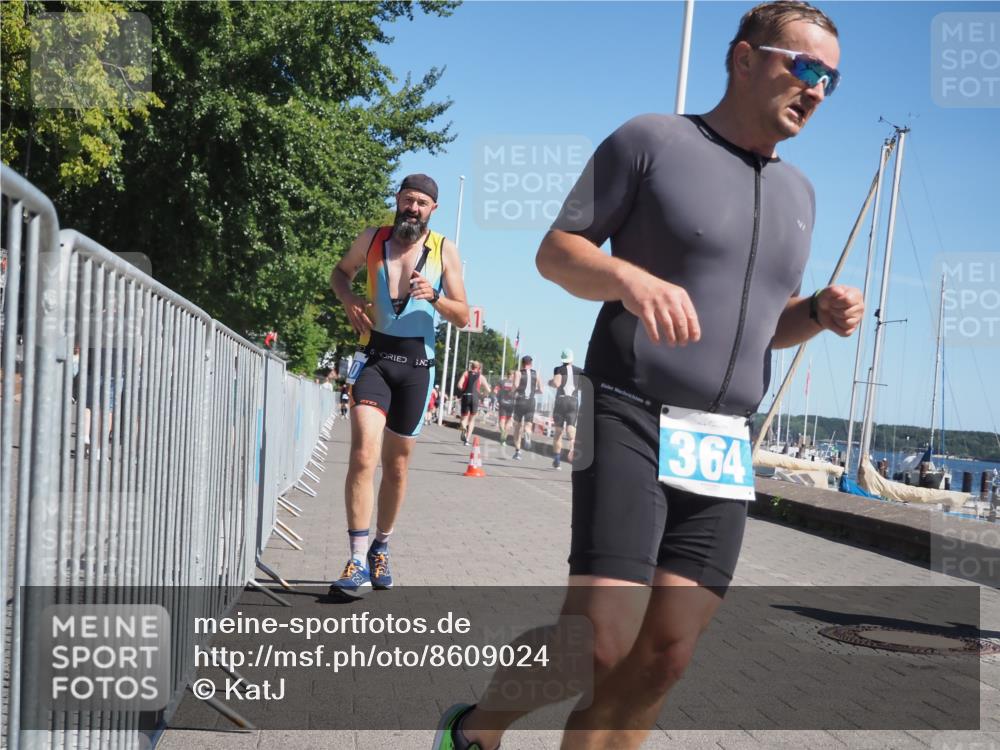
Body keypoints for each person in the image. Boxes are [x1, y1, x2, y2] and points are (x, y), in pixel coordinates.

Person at [434, 2, 863, 747]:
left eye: (831, 78)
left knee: (664, 657)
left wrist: (816, 313)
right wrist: (628, 279)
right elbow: (556, 252)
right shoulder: (652, 140)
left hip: (722, 442)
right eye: (804, 66)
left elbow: (767, 326)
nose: (818, 88)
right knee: (598, 642)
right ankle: (474, 731)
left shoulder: (801, 195)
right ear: (744, 59)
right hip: (628, 411)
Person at [329, 174, 469, 598]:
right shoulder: (373, 238)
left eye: (422, 203)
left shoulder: (444, 250)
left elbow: (463, 315)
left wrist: (436, 298)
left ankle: (381, 547)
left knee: (397, 466)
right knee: (362, 454)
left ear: (432, 210)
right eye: (408, 200)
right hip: (374, 357)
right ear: (398, 199)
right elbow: (340, 273)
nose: (413, 208)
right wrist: (349, 299)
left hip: (417, 366)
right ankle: (356, 560)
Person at [549, 348, 583, 471]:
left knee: (558, 432)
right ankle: (572, 443)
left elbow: (556, 383)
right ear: (572, 359)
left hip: (561, 401)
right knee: (571, 427)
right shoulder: (579, 371)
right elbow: (582, 387)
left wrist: (550, 382)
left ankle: (557, 461)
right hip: (573, 401)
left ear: (562, 359)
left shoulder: (558, 369)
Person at [510, 355, 542, 461]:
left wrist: (511, 393)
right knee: (528, 425)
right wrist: (533, 392)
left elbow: (515, 385)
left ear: (522, 363)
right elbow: (541, 390)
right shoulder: (536, 373)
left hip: (520, 400)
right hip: (531, 401)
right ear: (531, 363)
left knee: (517, 427)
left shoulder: (518, 373)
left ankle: (517, 452)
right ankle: (527, 434)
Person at [457, 361, 491, 445]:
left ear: (471, 366)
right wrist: (483, 395)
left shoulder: (466, 373)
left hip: (466, 396)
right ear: (479, 368)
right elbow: (488, 390)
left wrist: (463, 390)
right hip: (475, 397)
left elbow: (459, 385)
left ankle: (464, 428)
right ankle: (467, 440)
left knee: (464, 418)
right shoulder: (481, 377)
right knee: (472, 420)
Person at [495, 374, 516, 446]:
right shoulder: (515, 383)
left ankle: (502, 432)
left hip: (502, 403)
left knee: (502, 421)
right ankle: (503, 441)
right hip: (511, 404)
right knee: (508, 422)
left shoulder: (501, 381)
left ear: (507, 375)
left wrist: (498, 397)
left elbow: (495, 390)